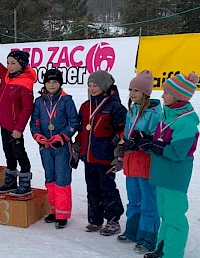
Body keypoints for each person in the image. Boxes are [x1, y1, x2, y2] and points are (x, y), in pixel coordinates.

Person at [140, 72, 199, 258]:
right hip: (161, 174)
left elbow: (177, 151)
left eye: (166, 92)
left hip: (174, 177)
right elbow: (160, 140)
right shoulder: (167, 114)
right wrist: (146, 141)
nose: (162, 95)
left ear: (178, 96)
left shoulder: (186, 121)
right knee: (165, 215)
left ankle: (172, 254)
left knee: (175, 219)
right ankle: (162, 249)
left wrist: (157, 146)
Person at [71, 70, 126, 236]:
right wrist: (77, 148)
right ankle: (95, 219)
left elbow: (122, 132)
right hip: (89, 157)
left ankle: (113, 220)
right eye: (89, 85)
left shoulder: (115, 107)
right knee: (92, 188)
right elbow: (82, 130)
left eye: (95, 85)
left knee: (108, 188)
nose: (92, 88)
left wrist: (119, 154)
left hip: (106, 158)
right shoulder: (86, 106)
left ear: (104, 86)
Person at [114, 70, 162, 254]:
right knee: (133, 199)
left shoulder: (155, 113)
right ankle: (132, 231)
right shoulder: (132, 109)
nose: (132, 93)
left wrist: (142, 140)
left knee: (148, 200)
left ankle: (148, 237)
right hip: (131, 162)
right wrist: (122, 139)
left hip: (146, 163)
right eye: (131, 89)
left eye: (137, 90)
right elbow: (127, 130)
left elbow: (154, 137)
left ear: (146, 93)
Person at [30, 69, 80, 229]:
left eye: (55, 82)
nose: (52, 85)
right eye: (49, 82)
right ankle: (53, 210)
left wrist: (63, 136)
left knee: (62, 179)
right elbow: (34, 122)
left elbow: (74, 122)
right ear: (44, 83)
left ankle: (63, 214)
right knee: (50, 178)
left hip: (62, 147)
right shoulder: (39, 101)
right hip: (45, 147)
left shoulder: (66, 101)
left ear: (60, 83)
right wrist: (38, 136)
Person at [0, 41, 36, 196]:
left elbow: (27, 108)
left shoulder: (26, 82)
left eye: (13, 63)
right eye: (8, 63)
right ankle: (11, 180)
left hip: (15, 127)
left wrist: (19, 128)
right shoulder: (7, 76)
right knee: (8, 152)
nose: (9, 66)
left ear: (21, 64)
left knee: (19, 152)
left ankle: (25, 182)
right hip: (4, 123)